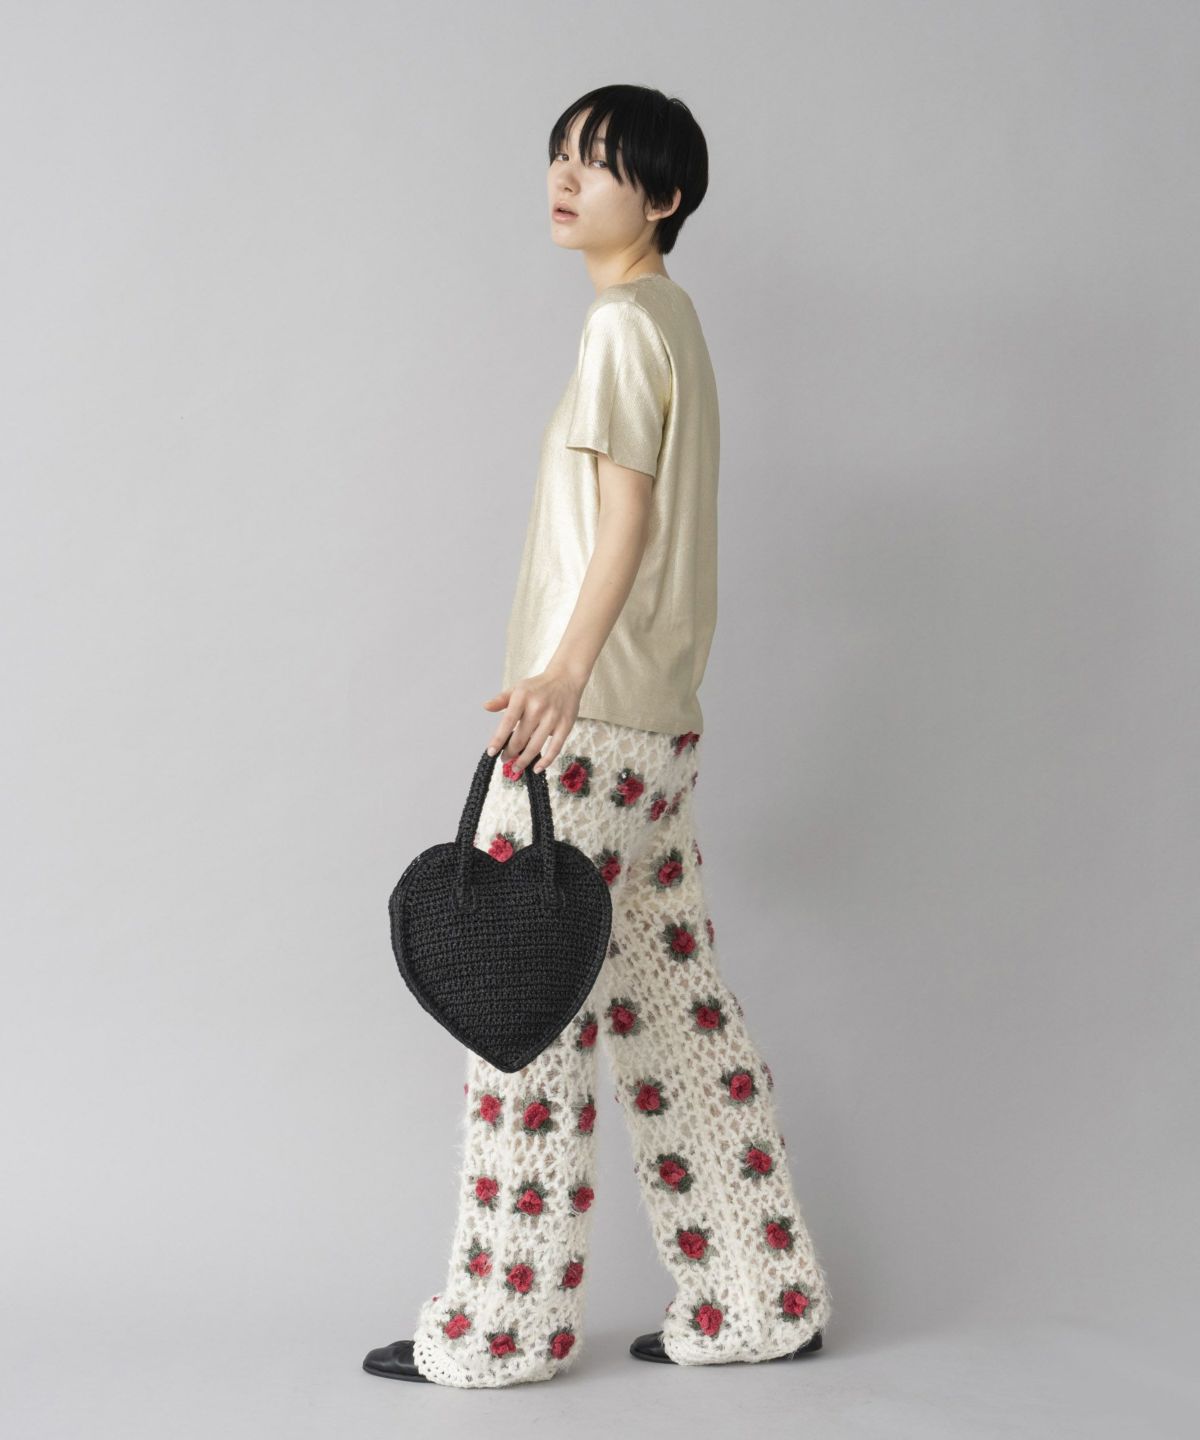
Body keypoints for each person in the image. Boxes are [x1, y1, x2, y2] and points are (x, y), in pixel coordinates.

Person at [363, 83, 832, 1388]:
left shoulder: (627, 326)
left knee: (515, 1001)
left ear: (664, 198)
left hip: (597, 714)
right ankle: (757, 1293)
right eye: (561, 155)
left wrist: (560, 675)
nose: (567, 179)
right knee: (669, 1000)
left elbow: (624, 522)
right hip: (658, 721)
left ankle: (501, 1327)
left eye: (602, 163)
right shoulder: (671, 321)